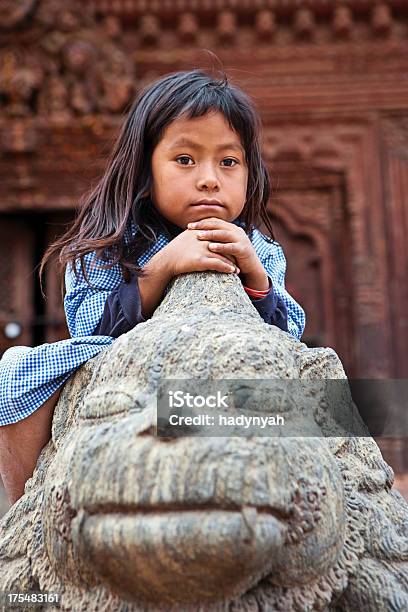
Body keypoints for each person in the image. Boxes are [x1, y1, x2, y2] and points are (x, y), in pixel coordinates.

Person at [0, 69, 306, 505]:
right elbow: (90, 325)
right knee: (14, 370)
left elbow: (287, 336)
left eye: (228, 162)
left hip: (225, 395)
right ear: (146, 171)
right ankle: (27, 506)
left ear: (249, 173)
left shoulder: (258, 248)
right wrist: (161, 268)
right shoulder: (108, 244)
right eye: (185, 160)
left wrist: (255, 275)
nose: (209, 179)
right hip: (130, 381)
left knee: (335, 397)